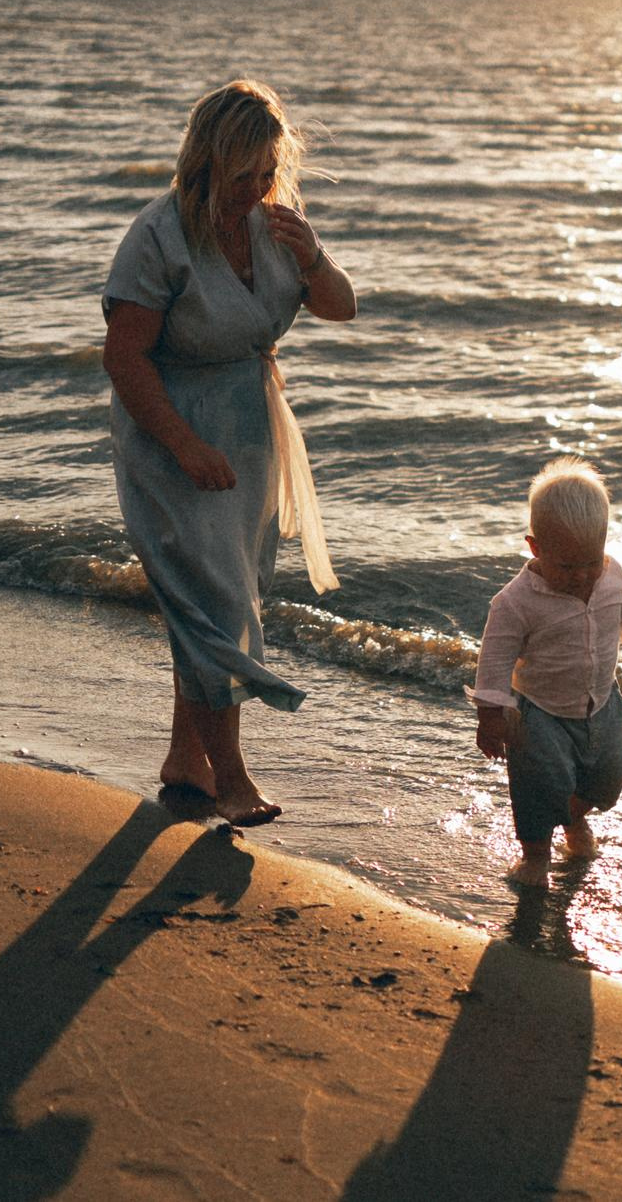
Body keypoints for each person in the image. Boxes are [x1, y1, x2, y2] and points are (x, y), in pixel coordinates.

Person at [102, 78, 355, 827]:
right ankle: (232, 777)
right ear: (206, 162)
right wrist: (184, 446)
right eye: (242, 175)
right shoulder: (158, 237)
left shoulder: (277, 223)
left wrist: (313, 258)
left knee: (225, 594)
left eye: (268, 172)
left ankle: (186, 757)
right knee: (213, 602)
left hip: (250, 429)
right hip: (171, 432)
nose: (257, 189)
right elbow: (124, 358)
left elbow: (342, 307)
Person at [470, 458, 622, 885]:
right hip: (538, 712)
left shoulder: (611, 575)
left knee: (612, 774)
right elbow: (494, 659)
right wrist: (490, 715)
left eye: (590, 561)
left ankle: (570, 816)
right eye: (566, 567)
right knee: (540, 783)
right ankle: (535, 857)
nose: (581, 576)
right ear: (535, 548)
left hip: (601, 703)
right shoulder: (515, 602)